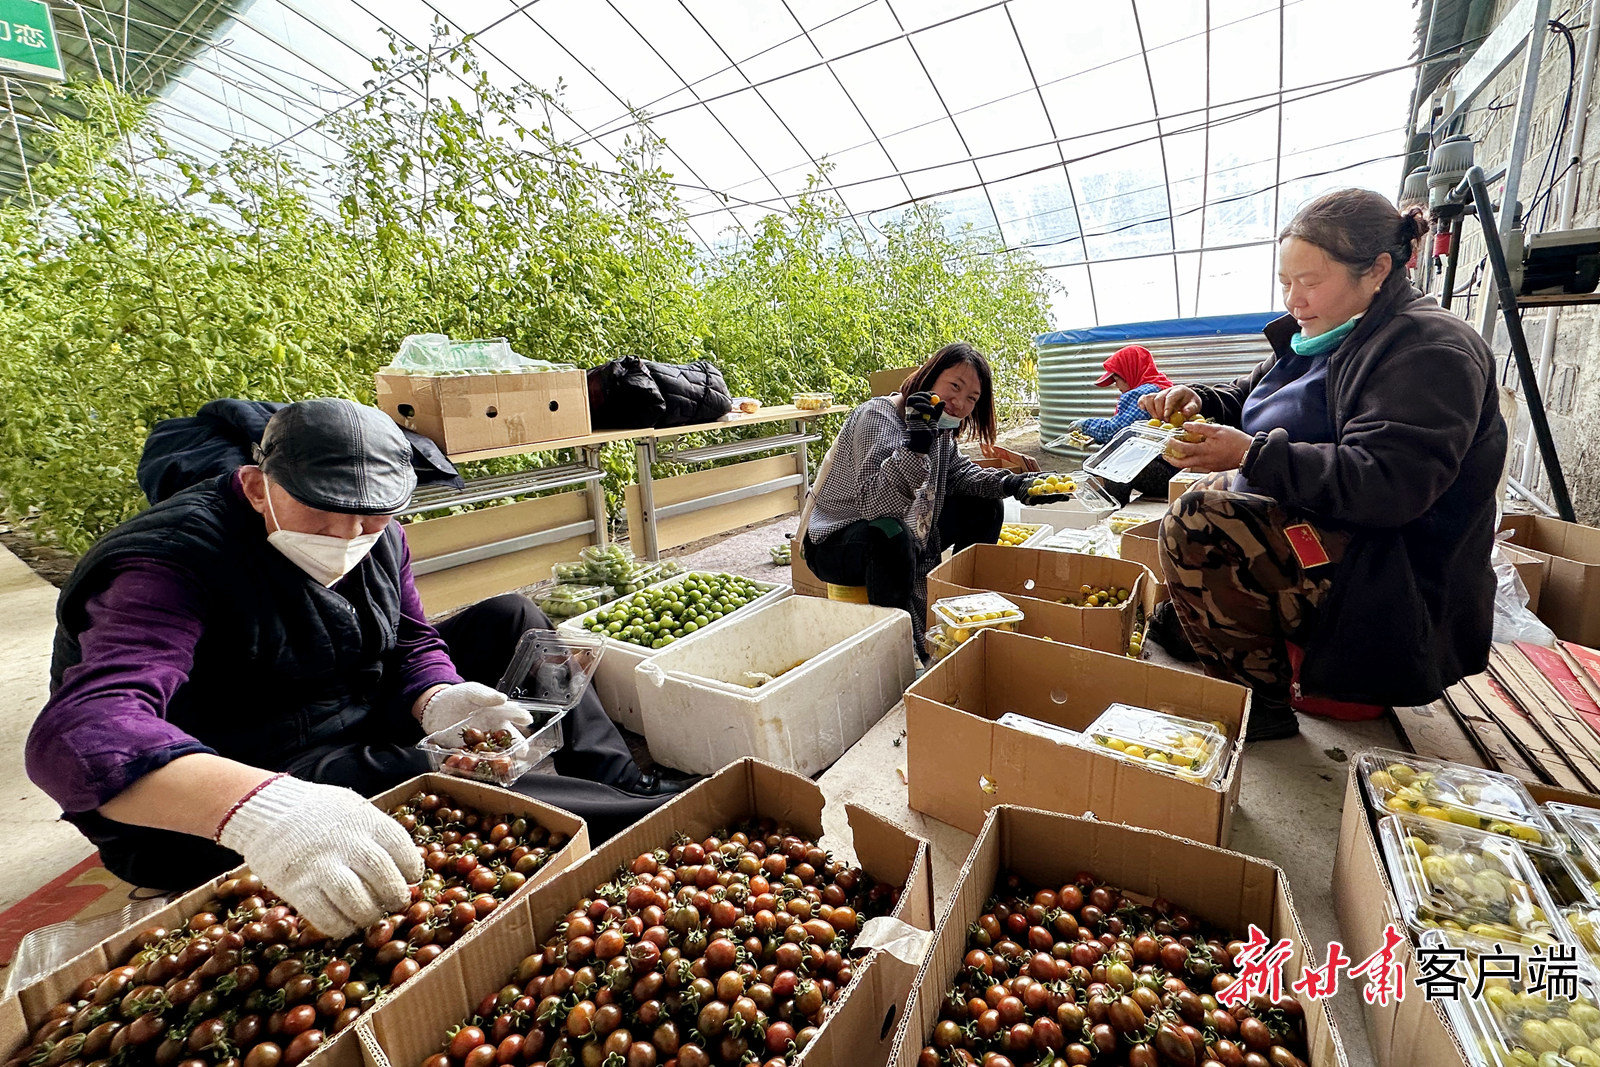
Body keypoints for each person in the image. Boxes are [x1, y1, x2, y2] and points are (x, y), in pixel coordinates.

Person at [28, 398, 686, 938]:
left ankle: (620, 778)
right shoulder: (168, 563)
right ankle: (642, 822)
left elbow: (408, 640)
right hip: (248, 759)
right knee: (443, 773)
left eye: (370, 517)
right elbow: (85, 735)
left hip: (347, 705)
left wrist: (438, 695)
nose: (347, 537)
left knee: (517, 618)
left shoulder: (380, 536)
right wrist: (261, 809)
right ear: (258, 488)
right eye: (322, 512)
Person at [1143, 188, 1506, 741]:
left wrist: (1248, 453)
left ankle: (1260, 706)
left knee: (1201, 519)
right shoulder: (1327, 333)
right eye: (1286, 282)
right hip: (1343, 539)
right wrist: (1200, 400)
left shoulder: (1430, 350)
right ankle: (1237, 635)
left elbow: (1389, 483)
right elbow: (1257, 396)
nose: (1293, 299)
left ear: (1378, 270)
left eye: (1310, 282)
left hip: (1390, 576)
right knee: (1218, 491)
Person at [800, 342, 1071, 651]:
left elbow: (960, 475)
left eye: (972, 398)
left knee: (986, 507)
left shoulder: (937, 427)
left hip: (903, 530)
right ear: (930, 377)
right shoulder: (878, 417)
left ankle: (968, 606)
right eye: (954, 386)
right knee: (890, 534)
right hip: (838, 541)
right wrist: (915, 447)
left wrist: (1014, 485)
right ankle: (901, 647)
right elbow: (878, 506)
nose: (959, 403)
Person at [1065, 344, 1178, 503]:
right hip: (1173, 471)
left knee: (1109, 459)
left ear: (1129, 371)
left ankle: (1111, 507)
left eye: (1116, 378)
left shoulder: (1143, 393)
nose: (1116, 385)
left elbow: (1116, 432)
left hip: (1162, 473)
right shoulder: (1162, 386)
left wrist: (1085, 426)